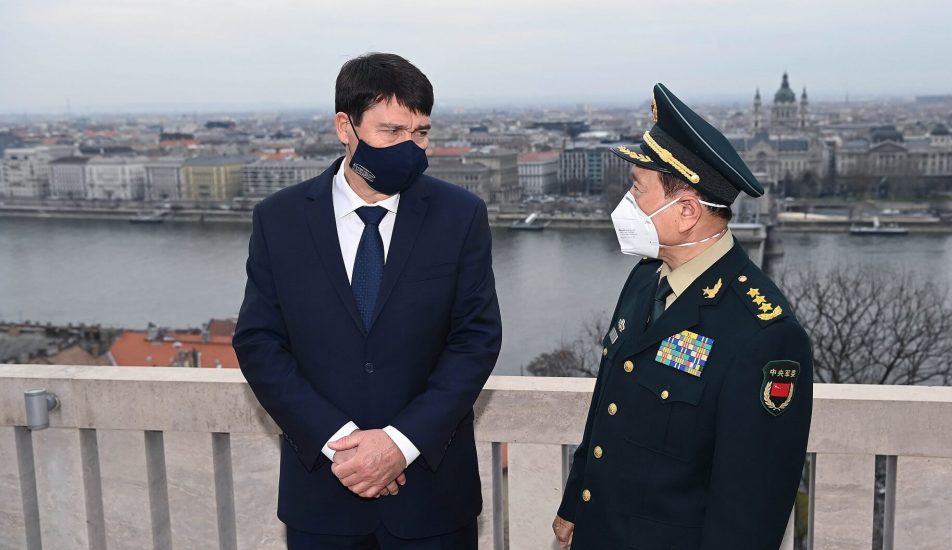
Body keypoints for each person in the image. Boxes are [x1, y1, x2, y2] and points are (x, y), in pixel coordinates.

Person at [234, 52, 501, 550]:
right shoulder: (279, 219)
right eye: (391, 131)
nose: (410, 147)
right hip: (323, 494)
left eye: (420, 132)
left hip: (432, 498)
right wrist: (339, 442)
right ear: (345, 126)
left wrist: (399, 444)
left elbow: (476, 340)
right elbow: (258, 343)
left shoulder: (460, 215)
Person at [551, 83, 813, 550]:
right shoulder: (645, 279)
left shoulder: (763, 334)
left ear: (687, 211)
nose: (626, 202)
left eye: (638, 189)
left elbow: (751, 505)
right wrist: (576, 503)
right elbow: (608, 406)